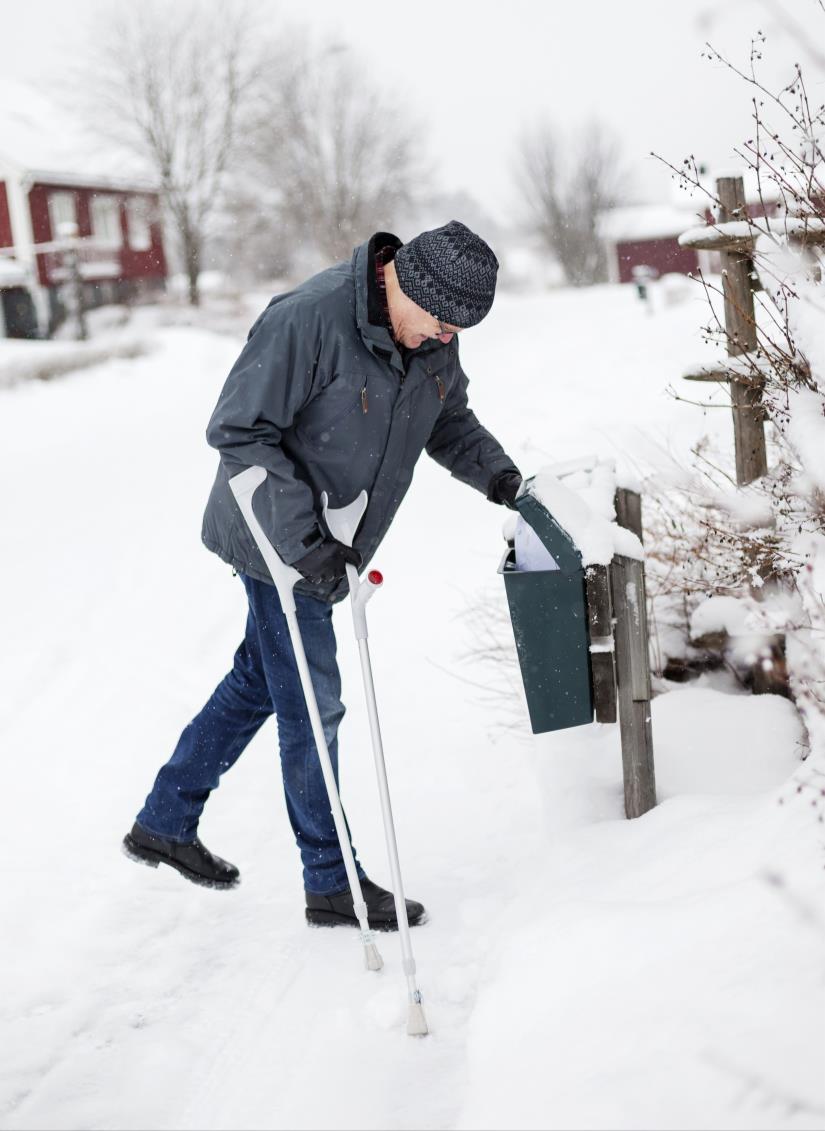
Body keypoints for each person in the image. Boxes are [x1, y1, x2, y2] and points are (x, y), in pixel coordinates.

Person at [123, 221, 523, 929]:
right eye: (439, 322)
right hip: (278, 539)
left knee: (262, 678)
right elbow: (238, 429)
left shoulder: (429, 340)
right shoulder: (309, 318)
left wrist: (500, 477)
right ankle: (330, 881)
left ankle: (165, 819)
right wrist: (303, 541)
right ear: (404, 281)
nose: (444, 338)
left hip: (329, 544)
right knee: (313, 702)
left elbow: (446, 419)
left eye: (457, 330)